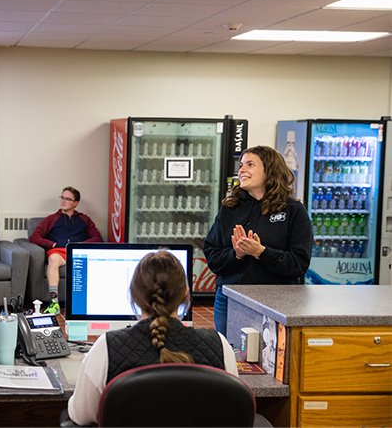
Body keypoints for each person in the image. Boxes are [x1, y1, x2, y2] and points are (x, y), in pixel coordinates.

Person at [67, 250, 238, 426]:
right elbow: (234, 410)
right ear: (186, 294)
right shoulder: (220, 345)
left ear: (133, 295)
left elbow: (80, 415)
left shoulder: (106, 348)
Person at [204, 145, 313, 335]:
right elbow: (213, 256)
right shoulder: (230, 208)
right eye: (241, 165)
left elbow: (298, 264)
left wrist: (261, 252)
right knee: (231, 357)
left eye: (250, 164)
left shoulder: (294, 211)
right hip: (230, 299)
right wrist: (236, 254)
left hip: (277, 303)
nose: (242, 170)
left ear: (270, 171)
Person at [29, 186, 102, 314]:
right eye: (62, 198)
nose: (63, 201)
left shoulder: (84, 219)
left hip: (78, 252)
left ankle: (87, 305)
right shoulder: (51, 219)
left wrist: (80, 245)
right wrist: (52, 244)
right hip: (60, 252)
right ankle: (54, 303)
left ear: (75, 203)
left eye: (67, 199)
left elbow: (97, 237)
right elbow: (34, 237)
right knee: (53, 259)